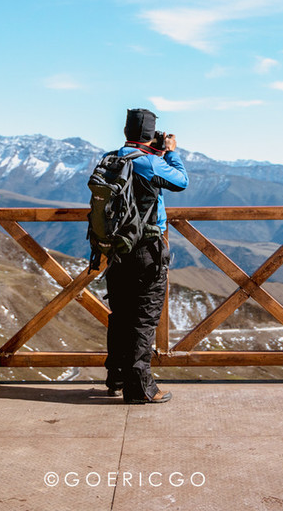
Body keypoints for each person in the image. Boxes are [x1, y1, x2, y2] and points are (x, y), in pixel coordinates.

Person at [104, 108, 189, 404]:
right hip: (145, 249)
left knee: (121, 315)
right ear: (151, 135)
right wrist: (169, 152)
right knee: (144, 317)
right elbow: (180, 181)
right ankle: (140, 387)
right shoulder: (150, 162)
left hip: (116, 248)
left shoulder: (112, 158)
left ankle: (116, 375)